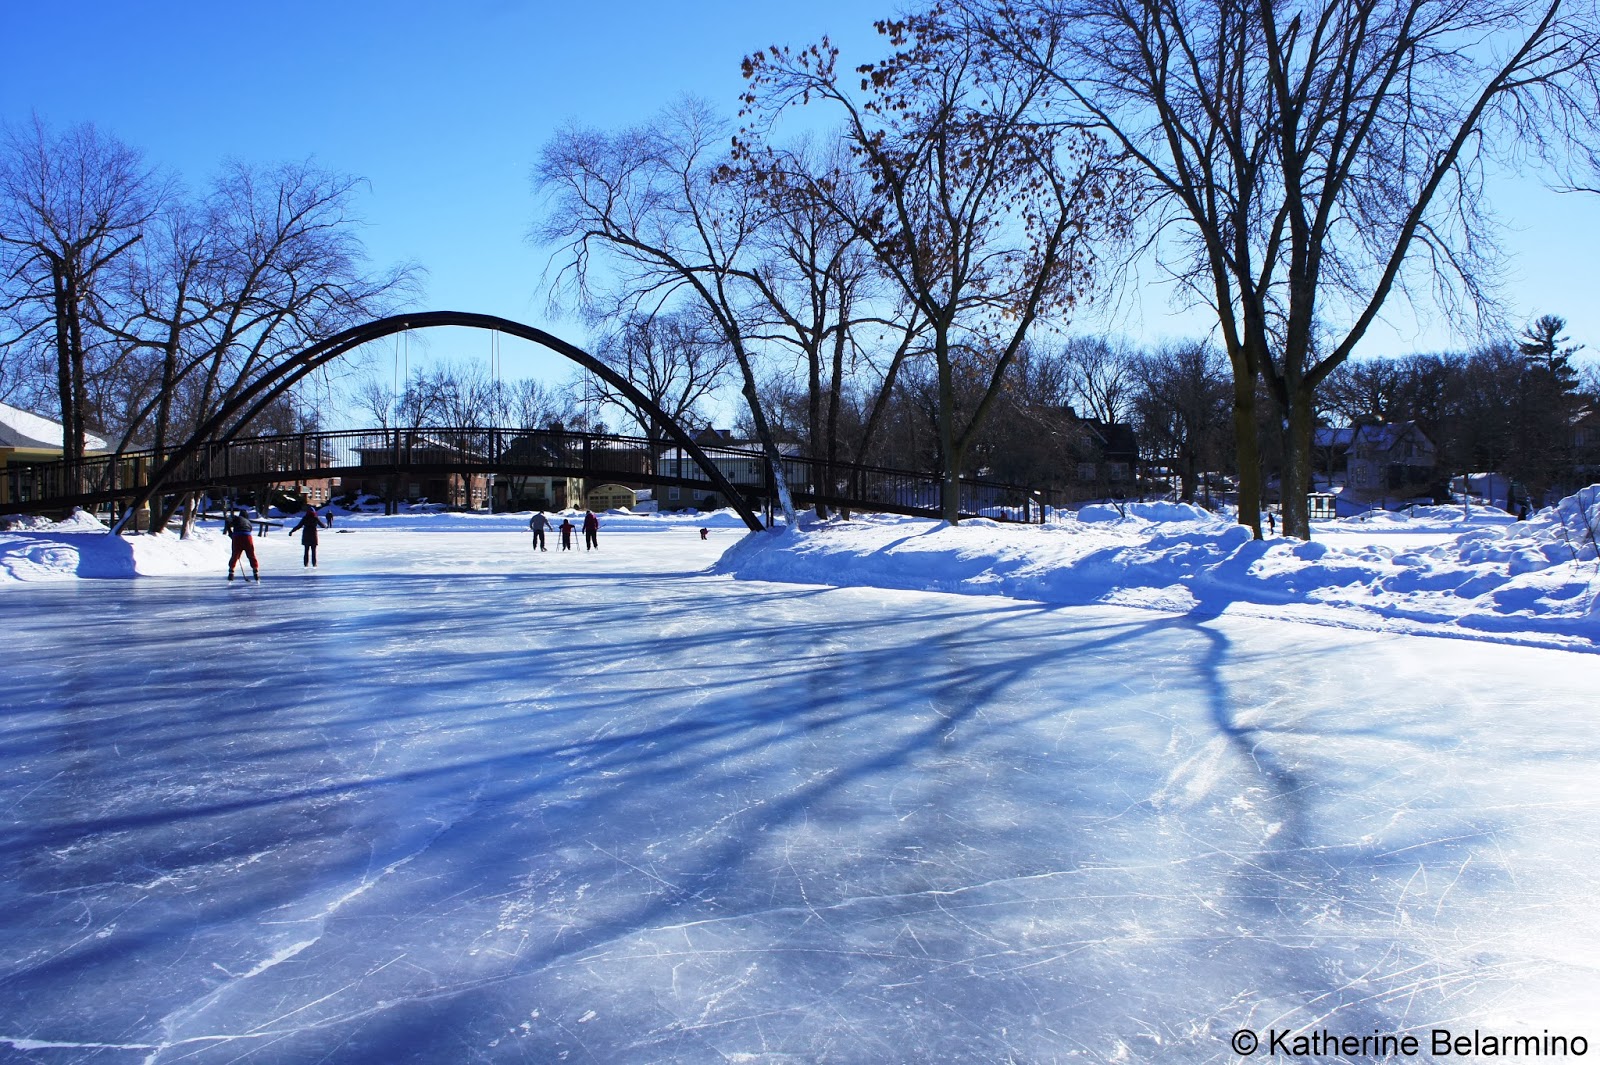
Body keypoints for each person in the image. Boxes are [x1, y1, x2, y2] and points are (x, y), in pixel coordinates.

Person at [226, 512, 259, 582]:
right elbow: (249, 530)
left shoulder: (236, 518)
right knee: (251, 554)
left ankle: (231, 571)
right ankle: (255, 570)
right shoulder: (248, 522)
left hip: (237, 537)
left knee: (235, 554)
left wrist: (230, 532)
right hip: (247, 537)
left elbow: (228, 521)